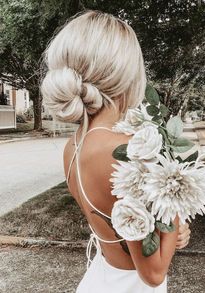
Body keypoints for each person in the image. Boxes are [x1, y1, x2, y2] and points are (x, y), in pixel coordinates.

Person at [41, 10, 191, 293]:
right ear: (126, 71)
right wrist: (175, 206)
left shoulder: (74, 145)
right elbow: (153, 272)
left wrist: (170, 231)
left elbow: (114, 225)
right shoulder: (124, 152)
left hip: (101, 278)